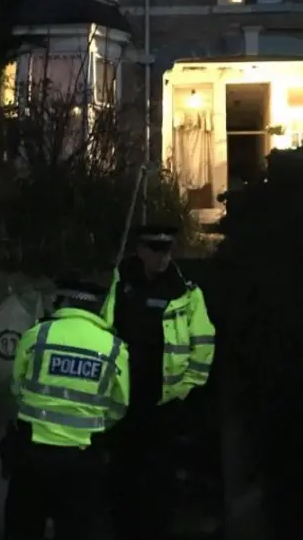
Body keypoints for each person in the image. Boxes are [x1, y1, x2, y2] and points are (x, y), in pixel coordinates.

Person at [101, 224, 216, 540]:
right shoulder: (120, 283)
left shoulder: (186, 291)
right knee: (121, 474)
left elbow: (203, 342)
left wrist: (185, 388)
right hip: (123, 398)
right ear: (140, 251)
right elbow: (104, 328)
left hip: (164, 401)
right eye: (156, 250)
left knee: (160, 479)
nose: (163, 258)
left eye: (167, 250)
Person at [0, 277, 130, 540]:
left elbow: (16, 387)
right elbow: (119, 406)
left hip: (31, 456)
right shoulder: (115, 348)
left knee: (23, 529)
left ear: (63, 301)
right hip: (82, 462)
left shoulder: (38, 335)